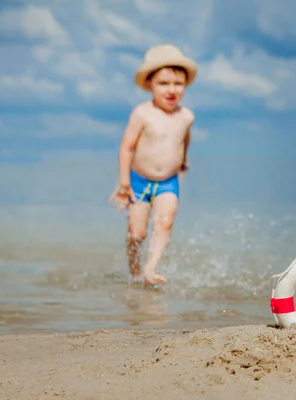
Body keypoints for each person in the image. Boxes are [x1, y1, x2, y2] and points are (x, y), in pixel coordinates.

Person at [109, 44, 197, 287]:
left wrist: (183, 160)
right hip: (138, 181)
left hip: (168, 181)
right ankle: (135, 267)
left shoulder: (186, 116)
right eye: (164, 83)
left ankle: (151, 269)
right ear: (150, 85)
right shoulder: (142, 113)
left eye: (178, 84)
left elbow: (183, 140)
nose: (172, 90)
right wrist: (124, 182)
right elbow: (126, 147)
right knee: (138, 233)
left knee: (164, 222)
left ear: (185, 86)